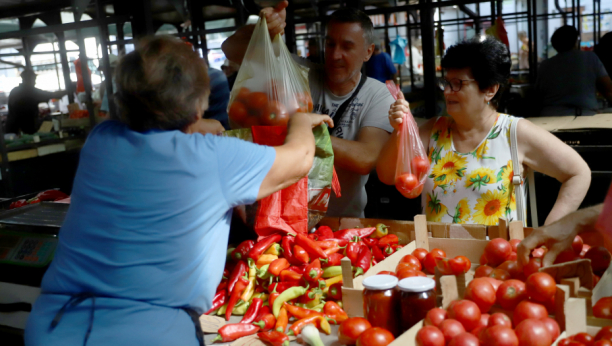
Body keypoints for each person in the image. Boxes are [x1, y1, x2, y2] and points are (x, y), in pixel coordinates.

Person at [24, 36, 333, 346]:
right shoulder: (211, 157)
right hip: (147, 335)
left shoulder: (100, 141)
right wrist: (301, 122)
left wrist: (200, 127)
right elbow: (300, 159)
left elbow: (148, 130)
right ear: (198, 105)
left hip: (54, 325)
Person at [377, 37, 591, 226]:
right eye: (446, 83)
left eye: (458, 83)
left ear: (490, 89)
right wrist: (400, 130)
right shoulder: (433, 130)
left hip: (499, 263)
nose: (448, 91)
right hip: (437, 260)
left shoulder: (514, 132)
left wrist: (552, 228)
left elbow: (578, 173)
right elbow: (386, 176)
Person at [222, 2, 395, 217]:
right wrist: (264, 28)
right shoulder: (300, 74)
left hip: (340, 224)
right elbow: (231, 50)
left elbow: (366, 158)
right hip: (283, 218)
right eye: (330, 44)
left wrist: (299, 129)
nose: (334, 55)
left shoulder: (377, 95)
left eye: (347, 47)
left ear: (368, 52)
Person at [535, 25, 612, 116]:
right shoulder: (590, 58)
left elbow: (537, 96)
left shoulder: (545, 65)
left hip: (549, 115)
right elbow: (608, 90)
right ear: (576, 41)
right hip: (582, 115)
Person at [7, 69, 68, 134]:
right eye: (34, 80)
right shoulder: (29, 91)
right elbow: (50, 95)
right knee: (50, 120)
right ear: (29, 79)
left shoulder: (14, 91)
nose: (35, 82)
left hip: (12, 128)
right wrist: (67, 91)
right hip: (25, 128)